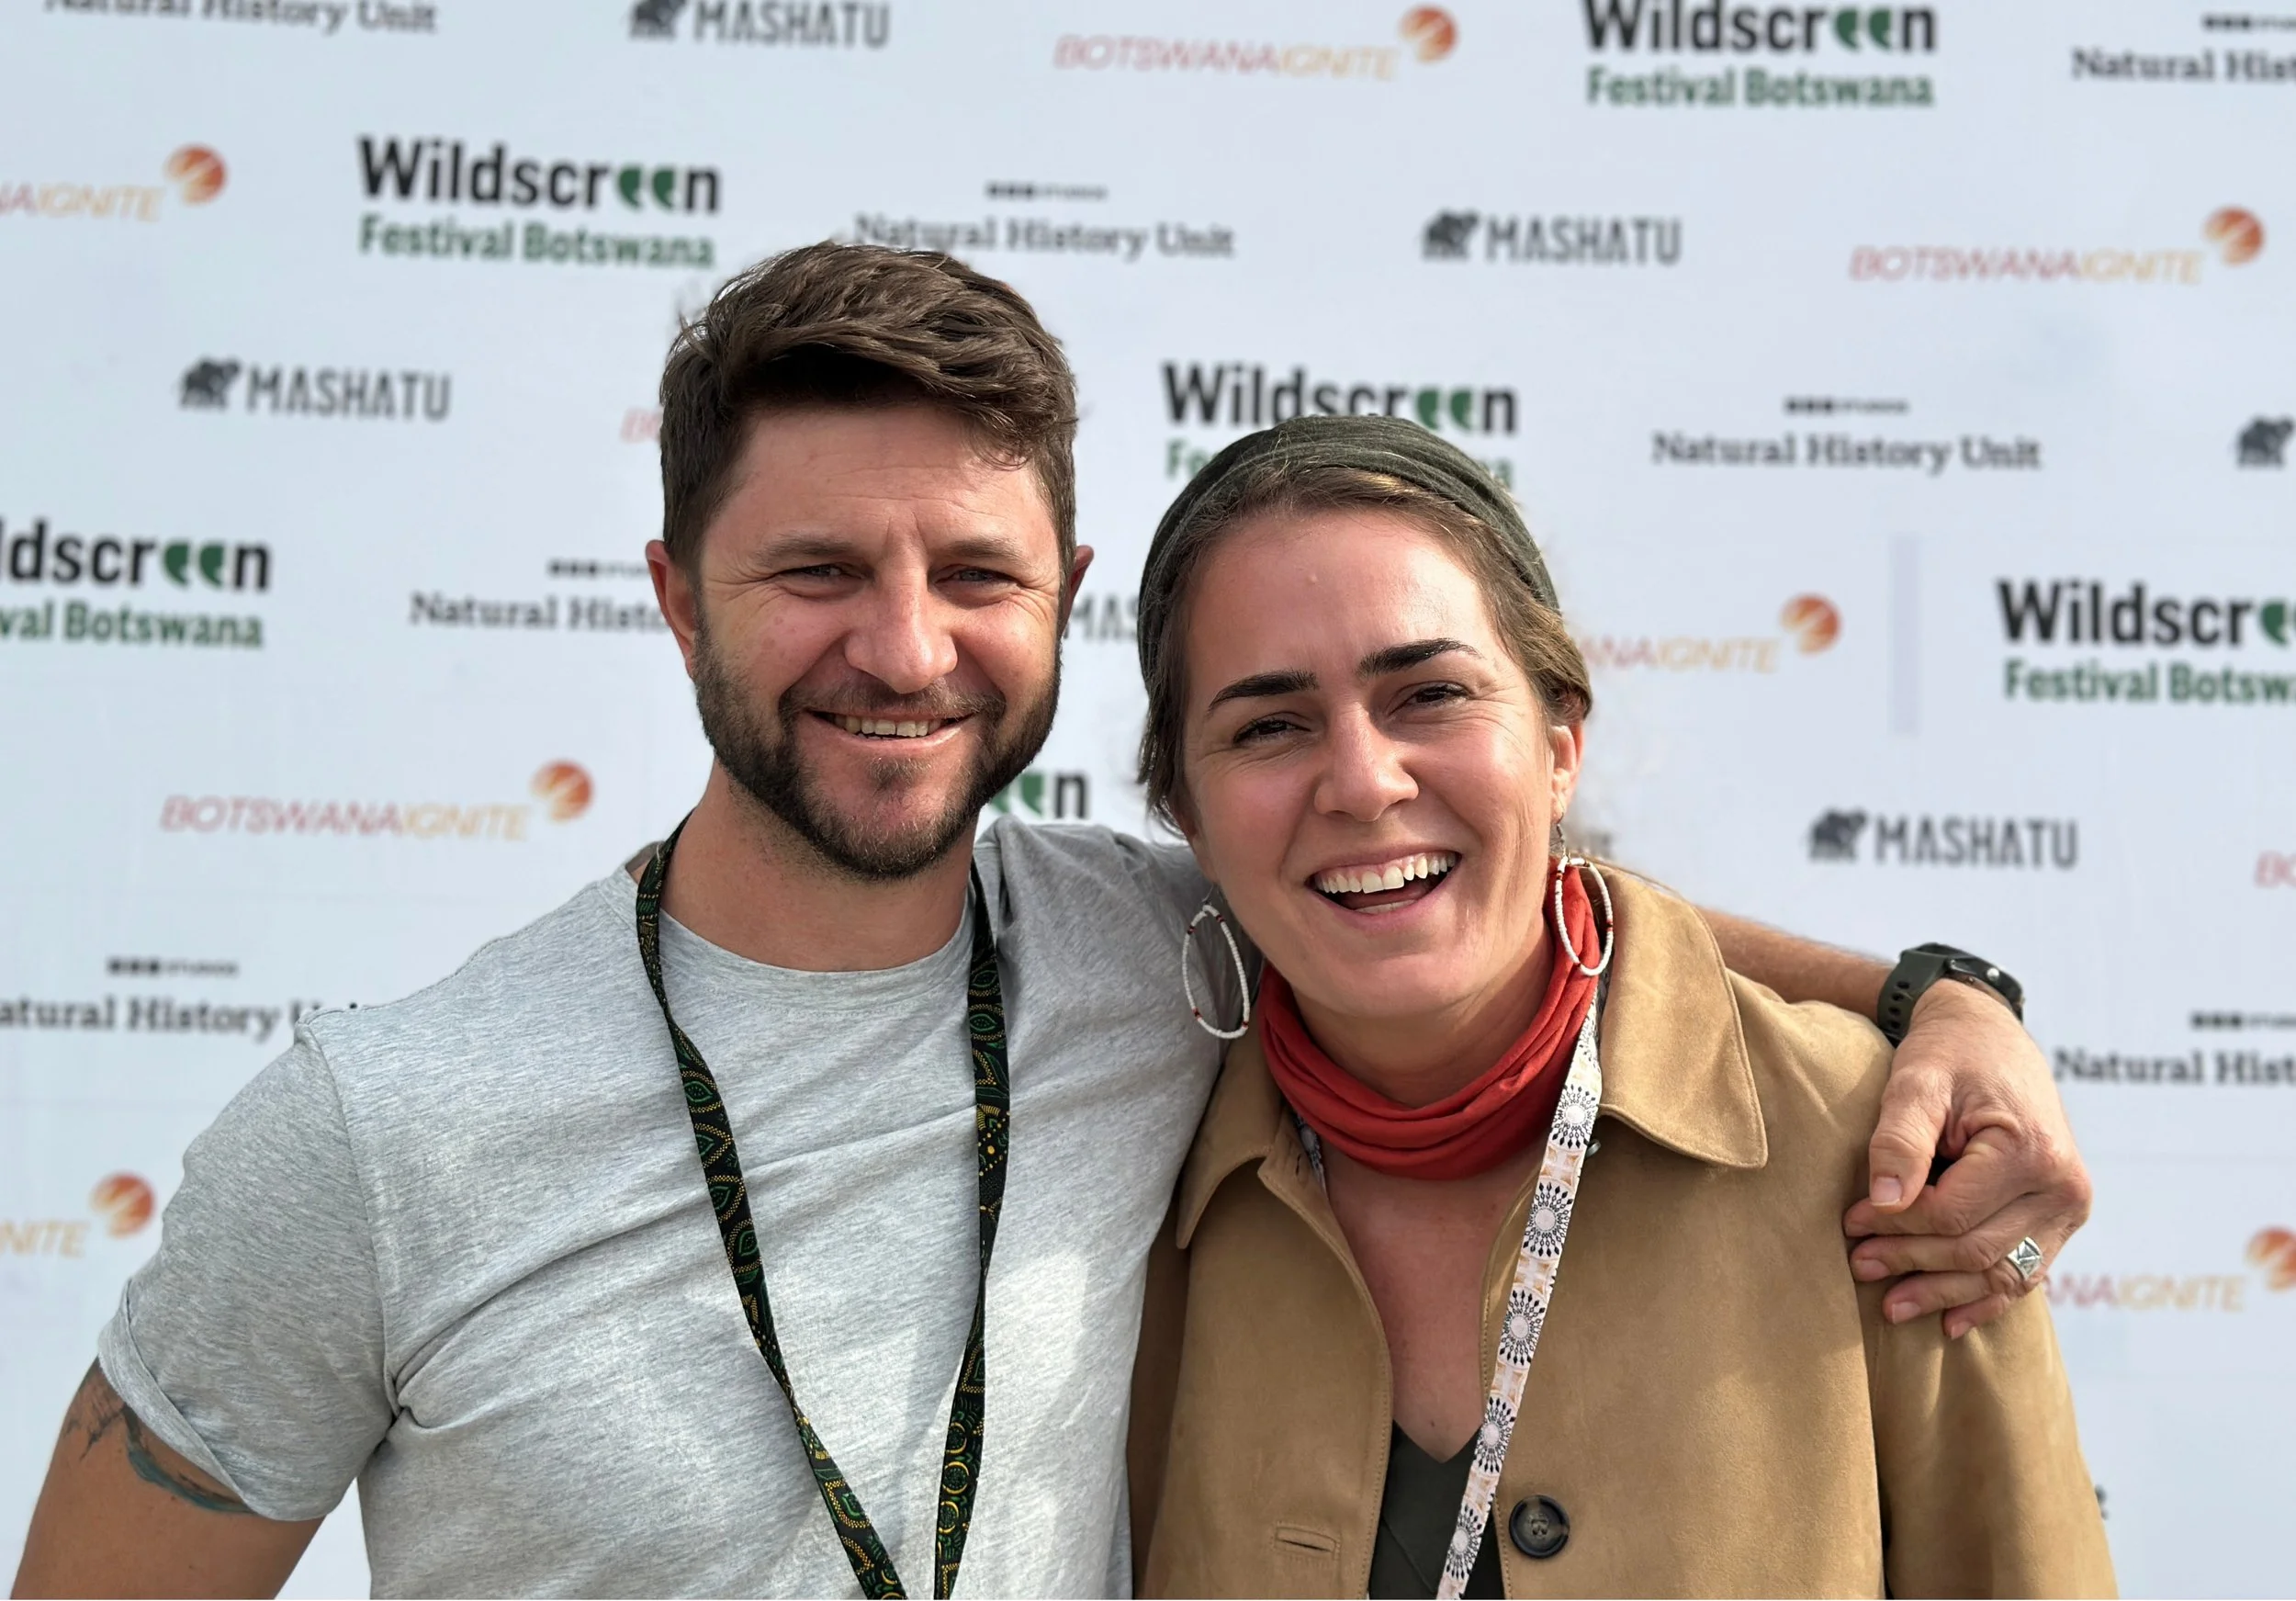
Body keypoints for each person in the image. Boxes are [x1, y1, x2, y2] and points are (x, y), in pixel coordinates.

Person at [15, 245, 2088, 1599]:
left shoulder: (1161, 948)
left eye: (976, 574)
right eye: (815, 570)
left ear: (1065, 596)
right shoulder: (379, 1129)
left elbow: (1487, 886)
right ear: (672, 596)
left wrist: (1943, 1000)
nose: (905, 646)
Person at [1123, 416, 2113, 1597]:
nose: (1363, 782)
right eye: (1269, 726)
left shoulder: (1878, 1148)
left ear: (1559, 746)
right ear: (1184, 814)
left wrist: (1949, 1001)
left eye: (1429, 694)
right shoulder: (1126, 1168)